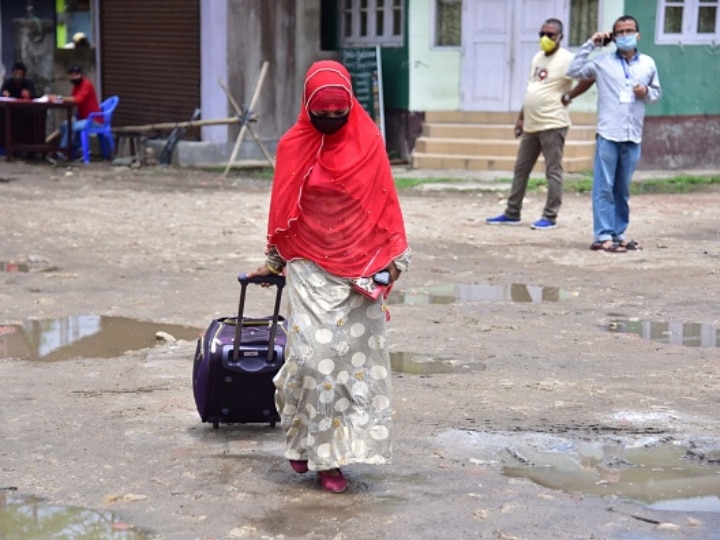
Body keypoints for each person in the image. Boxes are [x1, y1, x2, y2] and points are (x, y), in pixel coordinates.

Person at [247, 59, 411, 494]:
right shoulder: (292, 145)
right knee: (312, 363)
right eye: (325, 114)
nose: (332, 122)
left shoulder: (369, 140)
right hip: (308, 265)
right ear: (308, 106)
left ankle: (329, 460)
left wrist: (394, 259)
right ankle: (305, 441)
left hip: (361, 269)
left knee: (354, 370)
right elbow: (283, 212)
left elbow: (384, 204)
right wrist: (274, 262)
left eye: (340, 115)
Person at [487, 18, 594, 230]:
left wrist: (570, 95)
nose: (545, 38)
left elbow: (589, 76)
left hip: (553, 122)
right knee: (521, 168)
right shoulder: (537, 58)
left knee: (552, 171)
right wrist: (520, 117)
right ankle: (512, 211)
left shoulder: (567, 59)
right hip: (531, 123)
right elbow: (531, 88)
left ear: (561, 37)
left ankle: (550, 215)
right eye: (542, 34)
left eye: (550, 35)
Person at [567, 14, 661, 252]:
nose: (625, 35)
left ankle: (618, 233)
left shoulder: (648, 63)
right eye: (620, 32)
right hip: (609, 133)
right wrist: (591, 43)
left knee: (622, 188)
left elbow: (656, 94)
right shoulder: (602, 62)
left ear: (638, 35)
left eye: (629, 31)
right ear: (613, 36)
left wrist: (646, 91)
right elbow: (574, 70)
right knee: (604, 186)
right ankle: (602, 235)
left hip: (633, 135)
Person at [49, 64, 101, 160]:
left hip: (94, 120)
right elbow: (72, 101)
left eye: (76, 74)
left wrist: (58, 97)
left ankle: (63, 152)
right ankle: (75, 150)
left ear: (81, 75)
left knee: (70, 126)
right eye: (71, 75)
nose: (73, 77)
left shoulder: (86, 84)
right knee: (64, 125)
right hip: (81, 118)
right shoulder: (76, 88)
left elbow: (78, 100)